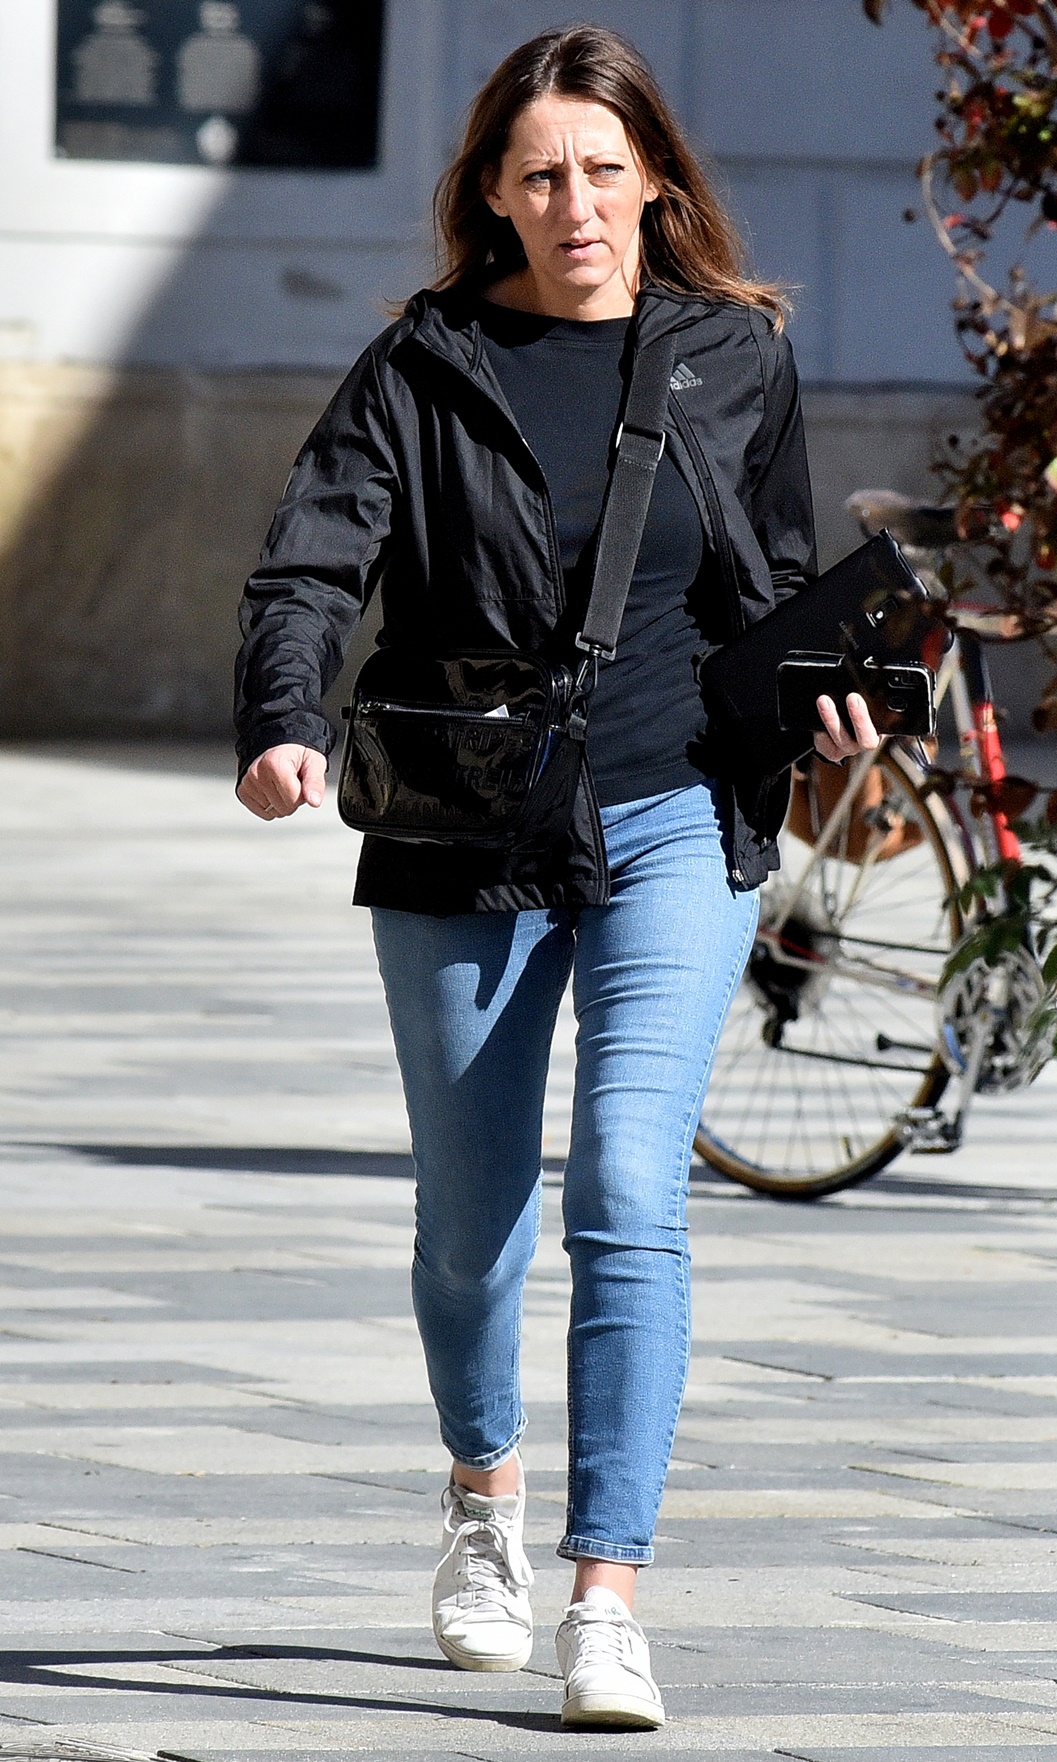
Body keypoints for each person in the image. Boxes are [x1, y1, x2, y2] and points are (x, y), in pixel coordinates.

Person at [233, 24, 878, 1732]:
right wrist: (284, 718)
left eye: (603, 168)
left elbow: (769, 582)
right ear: (495, 197)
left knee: (629, 1193)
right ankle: (483, 1491)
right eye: (542, 175)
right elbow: (311, 562)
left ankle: (607, 1595)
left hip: (675, 812)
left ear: (655, 181)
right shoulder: (424, 364)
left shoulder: (735, 354)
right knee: (473, 1231)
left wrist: (824, 687)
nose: (576, 202)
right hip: (464, 823)